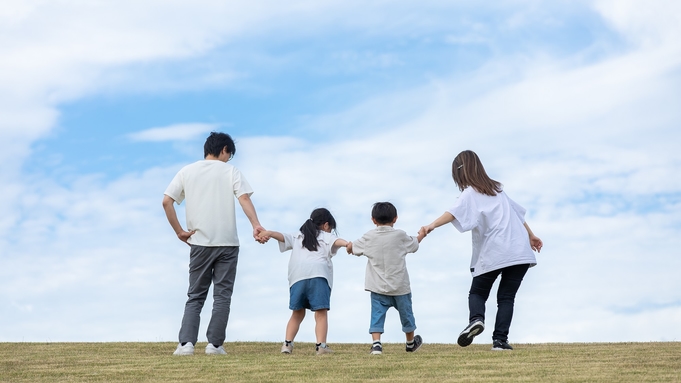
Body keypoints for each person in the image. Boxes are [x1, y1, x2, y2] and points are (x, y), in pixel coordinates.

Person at [420, 150, 543, 351]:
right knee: (506, 297)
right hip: (519, 250)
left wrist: (430, 226)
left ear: (460, 172)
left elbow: (451, 213)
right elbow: (517, 215)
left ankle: (476, 319)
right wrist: (531, 235)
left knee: (477, 292)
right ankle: (500, 342)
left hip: (496, 250)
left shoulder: (470, 193)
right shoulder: (498, 189)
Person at [162, 132, 266, 356]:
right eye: (230, 155)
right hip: (228, 243)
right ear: (224, 150)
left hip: (199, 242)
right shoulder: (231, 171)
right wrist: (256, 224)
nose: (229, 159)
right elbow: (244, 198)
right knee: (222, 295)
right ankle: (215, 345)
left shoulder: (186, 171)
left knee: (196, 295)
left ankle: (186, 345)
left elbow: (166, 201)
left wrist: (180, 231)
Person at [257, 208, 348, 355]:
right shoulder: (325, 235)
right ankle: (321, 346)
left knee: (297, 313)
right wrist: (348, 244)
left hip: (297, 277)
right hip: (318, 274)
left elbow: (281, 236)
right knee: (321, 313)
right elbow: (337, 241)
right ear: (326, 225)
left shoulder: (298, 235)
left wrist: (268, 233)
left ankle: (287, 345)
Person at [346, 202, 426, 355]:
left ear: (373, 220)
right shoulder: (400, 236)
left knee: (377, 315)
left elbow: (353, 248)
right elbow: (414, 244)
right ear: (395, 219)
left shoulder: (368, 237)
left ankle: (376, 345)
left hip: (378, 287)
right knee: (407, 315)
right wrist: (422, 233)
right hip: (400, 287)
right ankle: (410, 343)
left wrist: (349, 247)